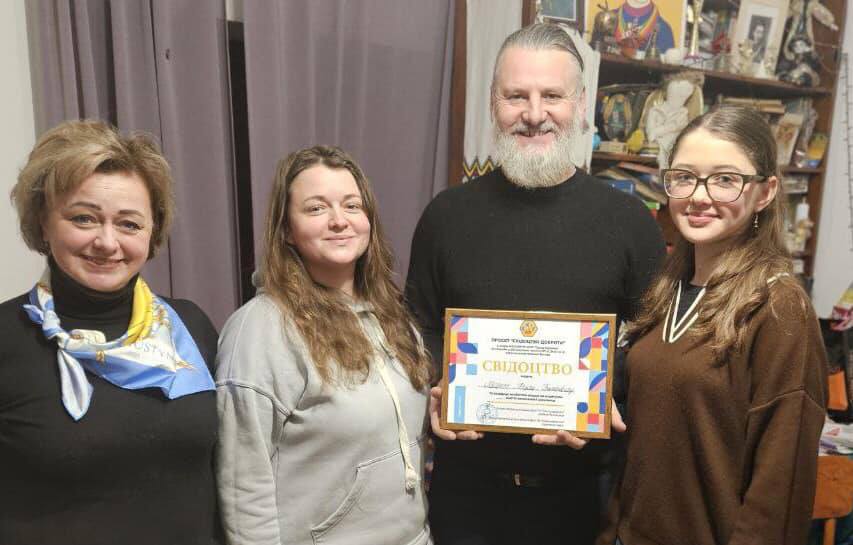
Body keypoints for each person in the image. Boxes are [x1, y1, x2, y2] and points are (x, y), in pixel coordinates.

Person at [405, 23, 665, 545]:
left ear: (581, 104)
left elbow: (652, 352)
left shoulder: (631, 222)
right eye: (516, 96)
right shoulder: (446, 217)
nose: (533, 113)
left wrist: (600, 395)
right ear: (493, 104)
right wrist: (437, 385)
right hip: (466, 499)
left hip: (582, 501)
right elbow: (419, 330)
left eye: (552, 95)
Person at [597, 105, 827, 545]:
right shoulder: (666, 290)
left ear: (765, 192)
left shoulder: (779, 308)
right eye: (685, 177)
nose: (699, 196)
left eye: (725, 179)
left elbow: (779, 490)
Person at [0, 119, 220, 544]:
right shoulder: (6, 338)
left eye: (129, 224)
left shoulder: (189, 327)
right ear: (43, 223)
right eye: (83, 218)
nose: (106, 242)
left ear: (152, 232)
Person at [216, 145, 433, 545]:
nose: (339, 221)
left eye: (352, 205)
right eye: (316, 208)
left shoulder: (393, 314)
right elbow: (243, 483)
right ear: (286, 230)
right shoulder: (260, 329)